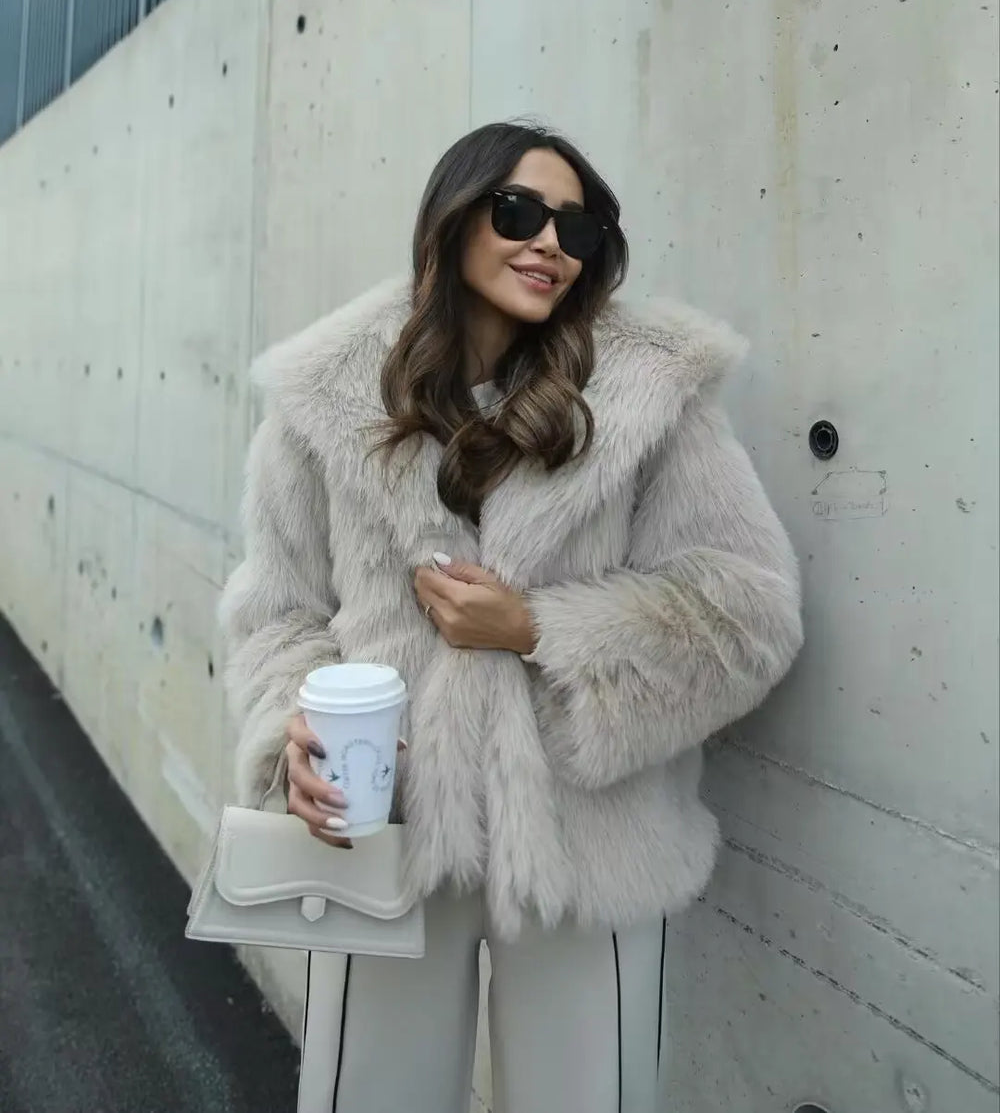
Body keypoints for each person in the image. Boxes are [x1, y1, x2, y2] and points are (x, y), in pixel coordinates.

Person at [219, 121, 803, 1113]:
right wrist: (293, 730)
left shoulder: (650, 394)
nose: (549, 244)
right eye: (520, 211)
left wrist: (537, 628)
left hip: (585, 839)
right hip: (388, 820)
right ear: (453, 218)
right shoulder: (326, 397)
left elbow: (748, 613)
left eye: (576, 227)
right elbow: (278, 610)